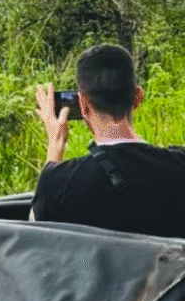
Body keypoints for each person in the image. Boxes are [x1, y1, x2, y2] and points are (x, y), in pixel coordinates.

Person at [31, 44, 185, 237]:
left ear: (84, 104)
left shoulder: (60, 180)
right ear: (138, 97)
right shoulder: (180, 164)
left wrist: (54, 149)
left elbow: (34, 240)